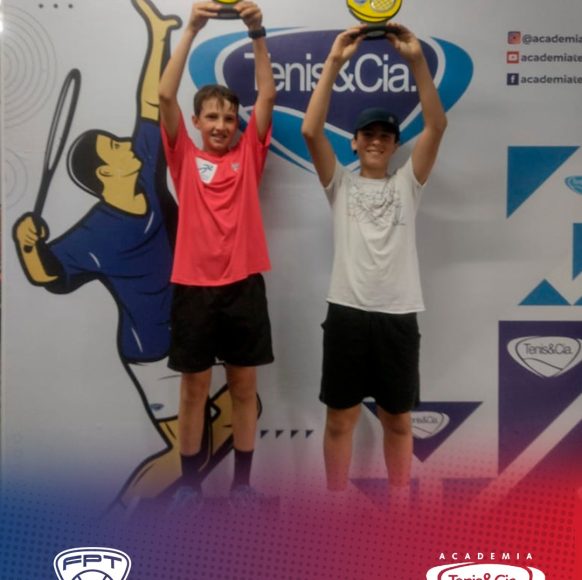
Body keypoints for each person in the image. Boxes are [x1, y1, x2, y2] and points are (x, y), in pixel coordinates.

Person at [12, 0, 184, 509]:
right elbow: (49, 274)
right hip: (152, 351)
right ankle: (121, 520)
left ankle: (178, 507)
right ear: (105, 174)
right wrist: (26, 244)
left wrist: (158, 34)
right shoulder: (94, 233)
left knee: (232, 419)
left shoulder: (146, 170)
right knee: (184, 452)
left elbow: (150, 101)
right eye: (114, 146)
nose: (126, 143)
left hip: (187, 331)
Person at [301, 23, 447, 507]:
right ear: (355, 142)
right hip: (346, 313)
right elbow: (310, 130)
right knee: (340, 419)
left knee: (397, 420)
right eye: (369, 134)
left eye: (386, 135)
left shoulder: (409, 184)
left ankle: (399, 511)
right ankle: (336, 508)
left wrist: (417, 61)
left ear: (395, 144)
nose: (377, 141)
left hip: (398, 316)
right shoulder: (339, 185)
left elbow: (436, 126)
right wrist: (334, 62)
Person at [158, 0, 276, 508]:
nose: (222, 125)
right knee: (193, 391)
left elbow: (267, 93)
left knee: (244, 389)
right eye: (212, 117)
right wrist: (191, 28)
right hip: (194, 289)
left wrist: (257, 33)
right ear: (196, 121)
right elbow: (165, 93)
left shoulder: (250, 154)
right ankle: (189, 485)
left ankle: (243, 486)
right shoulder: (183, 156)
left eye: (229, 117)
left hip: (244, 286)